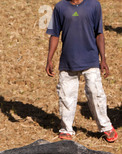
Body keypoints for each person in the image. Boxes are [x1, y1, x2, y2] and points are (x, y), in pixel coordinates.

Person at [45, 0, 117, 142]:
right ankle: (66, 129)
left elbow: (99, 34)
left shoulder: (94, 5)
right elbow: (54, 34)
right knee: (66, 96)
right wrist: (49, 59)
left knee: (96, 93)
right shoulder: (60, 7)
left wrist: (103, 59)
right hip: (68, 61)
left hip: (90, 59)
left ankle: (106, 127)